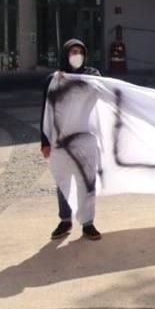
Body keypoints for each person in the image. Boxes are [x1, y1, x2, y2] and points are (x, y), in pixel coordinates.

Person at [41, 39, 104, 240]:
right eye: (72, 52)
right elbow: (46, 111)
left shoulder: (92, 76)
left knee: (86, 182)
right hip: (60, 141)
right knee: (63, 182)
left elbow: (104, 94)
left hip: (85, 139)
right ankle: (65, 220)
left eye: (80, 52)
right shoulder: (54, 79)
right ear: (65, 55)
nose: (77, 55)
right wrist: (44, 140)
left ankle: (88, 223)